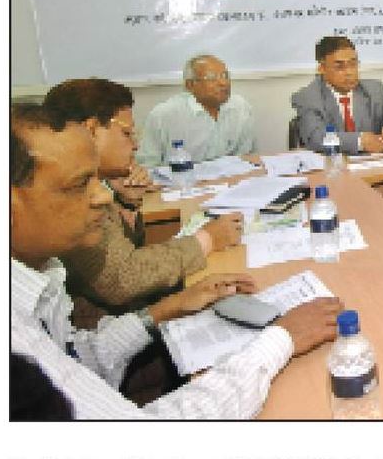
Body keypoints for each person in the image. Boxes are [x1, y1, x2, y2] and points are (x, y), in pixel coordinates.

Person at [10, 104, 342, 418]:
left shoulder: (40, 275)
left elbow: (80, 357)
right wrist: (280, 340)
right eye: (80, 184)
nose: (102, 196)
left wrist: (169, 307)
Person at [43, 78, 243, 312]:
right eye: (126, 133)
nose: (135, 145)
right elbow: (122, 278)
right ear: (91, 131)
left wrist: (127, 203)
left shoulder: (95, 183)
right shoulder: (70, 192)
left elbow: (123, 253)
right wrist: (208, 239)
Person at [292, 36, 383, 154]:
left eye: (353, 64)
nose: (349, 72)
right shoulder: (308, 97)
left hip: (374, 163)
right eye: (339, 67)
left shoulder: (373, 90)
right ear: (322, 69)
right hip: (333, 164)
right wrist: (359, 141)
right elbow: (316, 137)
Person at [136, 55, 256, 167]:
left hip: (231, 179)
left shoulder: (241, 108)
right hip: (181, 180)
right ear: (190, 85)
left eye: (225, 76)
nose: (223, 83)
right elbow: (147, 166)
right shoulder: (163, 116)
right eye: (211, 78)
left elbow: (246, 158)